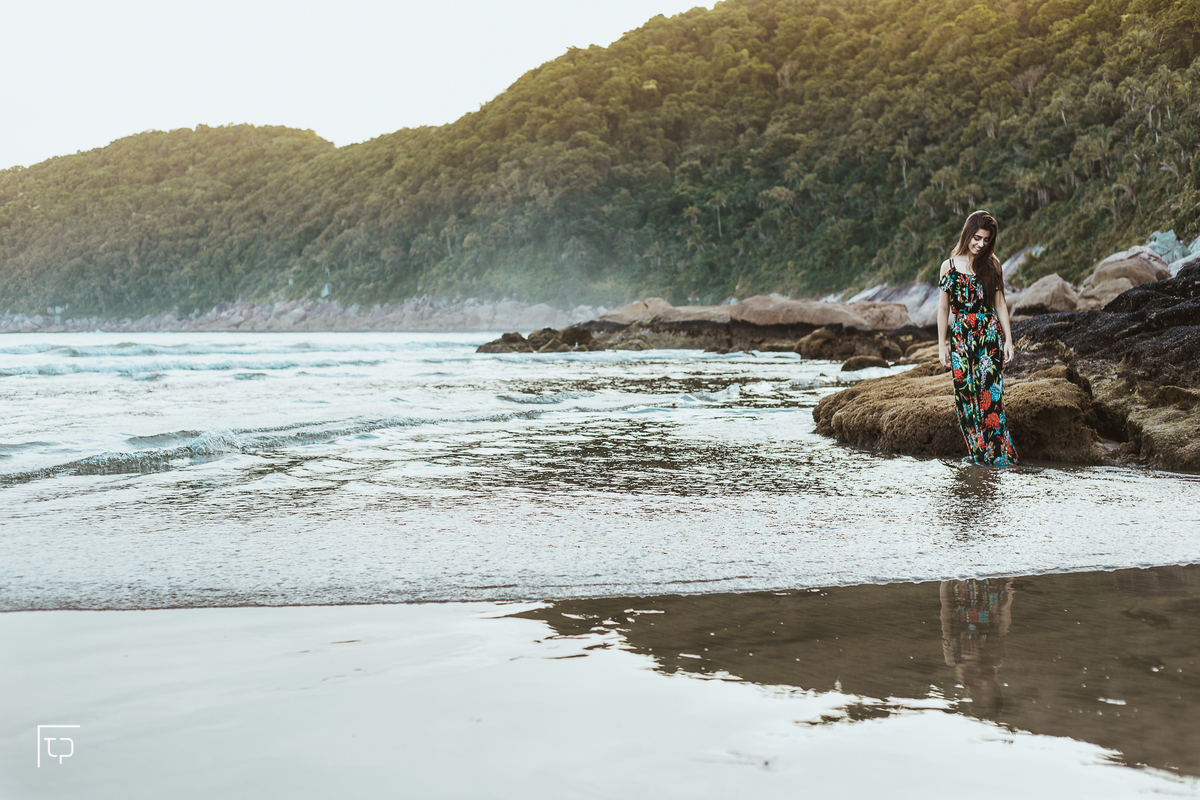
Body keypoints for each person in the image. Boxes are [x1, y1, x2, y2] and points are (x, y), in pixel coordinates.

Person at [937, 210, 1019, 465]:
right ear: (967, 234)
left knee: (991, 397)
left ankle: (999, 456)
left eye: (986, 239)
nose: (981, 244)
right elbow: (943, 309)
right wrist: (942, 345)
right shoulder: (949, 267)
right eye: (977, 238)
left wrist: (1008, 340)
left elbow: (1000, 304)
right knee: (965, 398)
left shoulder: (993, 265)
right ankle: (979, 455)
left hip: (989, 337)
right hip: (961, 339)